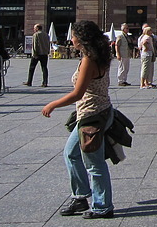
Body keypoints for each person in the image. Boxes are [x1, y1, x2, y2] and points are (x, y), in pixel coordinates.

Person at [41, 20, 114, 219]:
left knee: (94, 163)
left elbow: (78, 93)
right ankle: (81, 196)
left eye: (73, 35)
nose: (70, 38)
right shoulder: (98, 56)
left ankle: (103, 206)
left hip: (93, 117)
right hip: (95, 113)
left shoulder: (89, 60)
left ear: (81, 40)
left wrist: (52, 104)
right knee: (72, 154)